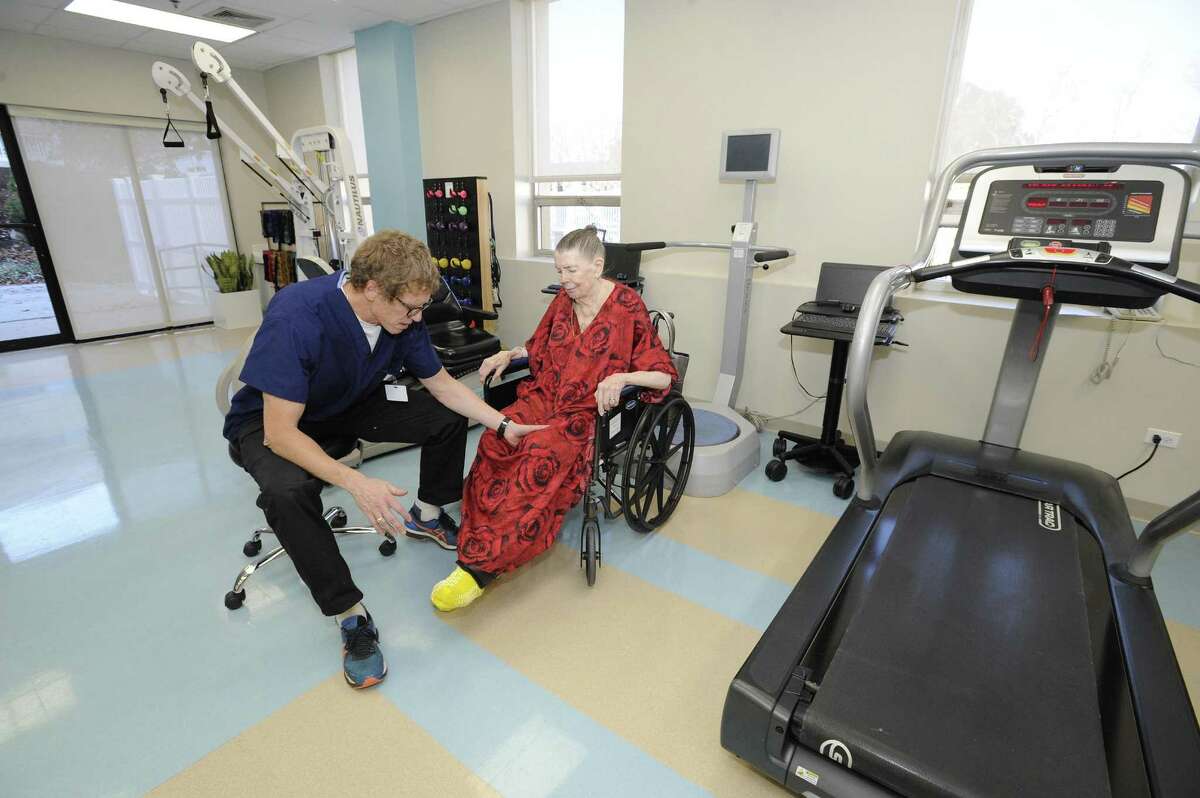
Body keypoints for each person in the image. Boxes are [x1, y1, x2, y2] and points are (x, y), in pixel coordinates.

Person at [223, 230, 545, 688]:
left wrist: (502, 424)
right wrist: (357, 483)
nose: (417, 318)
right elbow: (280, 433)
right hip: (272, 422)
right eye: (410, 309)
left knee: (445, 418)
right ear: (371, 288)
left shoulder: (402, 319)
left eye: (421, 308)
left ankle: (426, 515)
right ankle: (349, 613)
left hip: (347, 402)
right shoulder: (298, 314)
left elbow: (443, 385)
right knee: (287, 492)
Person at [431, 227, 678, 611]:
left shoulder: (627, 306)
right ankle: (483, 529)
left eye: (572, 270)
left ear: (597, 266)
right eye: (559, 270)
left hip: (586, 413)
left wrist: (621, 377)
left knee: (538, 453)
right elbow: (538, 348)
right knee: (496, 435)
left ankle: (482, 568)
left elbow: (662, 375)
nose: (564, 279)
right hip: (545, 396)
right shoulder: (563, 301)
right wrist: (508, 354)